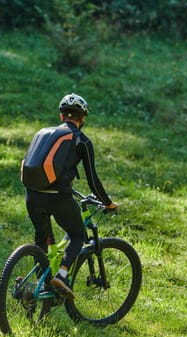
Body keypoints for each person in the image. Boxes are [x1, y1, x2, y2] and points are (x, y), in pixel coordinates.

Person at [24, 93, 118, 299]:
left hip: (33, 196)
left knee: (43, 241)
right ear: (82, 119)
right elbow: (93, 180)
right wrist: (108, 203)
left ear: (61, 117)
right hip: (58, 198)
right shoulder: (82, 140)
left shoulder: (44, 133)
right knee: (77, 235)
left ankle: (40, 291)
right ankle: (63, 275)